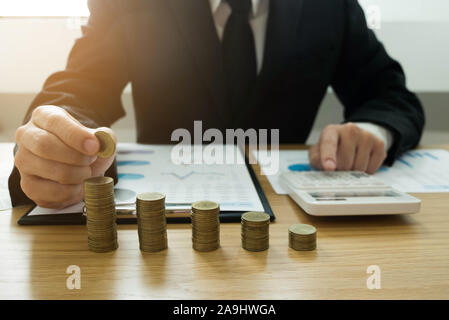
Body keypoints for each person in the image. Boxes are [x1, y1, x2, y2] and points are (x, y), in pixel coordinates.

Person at [9, 0, 424, 208]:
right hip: (164, 236)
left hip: (290, 228)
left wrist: (372, 131)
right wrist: (62, 133)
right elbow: (80, 85)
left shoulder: (327, 5)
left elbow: (389, 94)